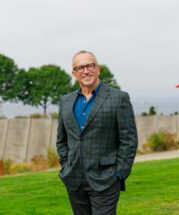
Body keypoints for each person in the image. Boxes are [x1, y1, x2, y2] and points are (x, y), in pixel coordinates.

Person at [56, 50, 138, 215]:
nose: (85, 71)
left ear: (98, 69)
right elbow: (62, 140)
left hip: (106, 180)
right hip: (74, 180)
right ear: (74, 74)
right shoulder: (65, 101)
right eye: (80, 68)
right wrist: (66, 166)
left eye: (90, 66)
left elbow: (129, 140)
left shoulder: (118, 98)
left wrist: (119, 174)